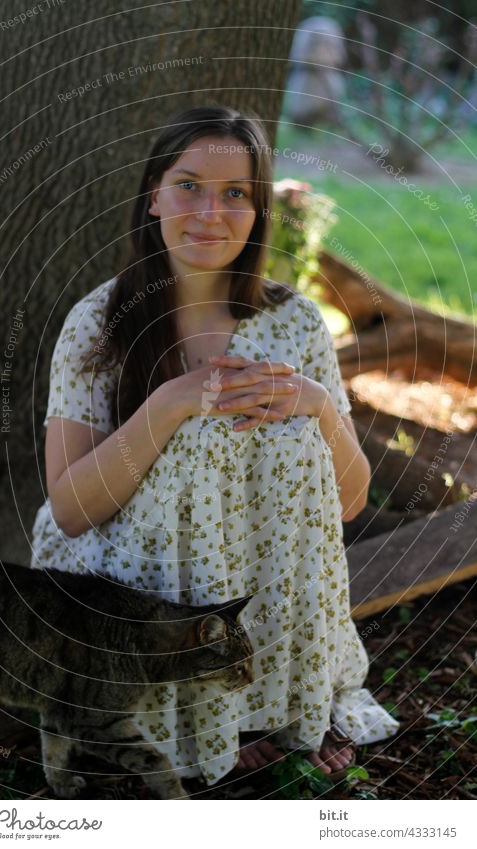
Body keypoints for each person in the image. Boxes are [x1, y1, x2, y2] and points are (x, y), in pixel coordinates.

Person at [30, 105, 399, 788]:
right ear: (153, 195)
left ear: (258, 211)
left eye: (236, 194)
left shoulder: (291, 323)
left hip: (252, 570)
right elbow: (71, 509)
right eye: (189, 185)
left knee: (289, 432)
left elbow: (346, 501)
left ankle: (270, 701)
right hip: (117, 573)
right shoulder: (101, 322)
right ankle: (197, 709)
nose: (210, 211)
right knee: (202, 432)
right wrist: (169, 403)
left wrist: (317, 407)